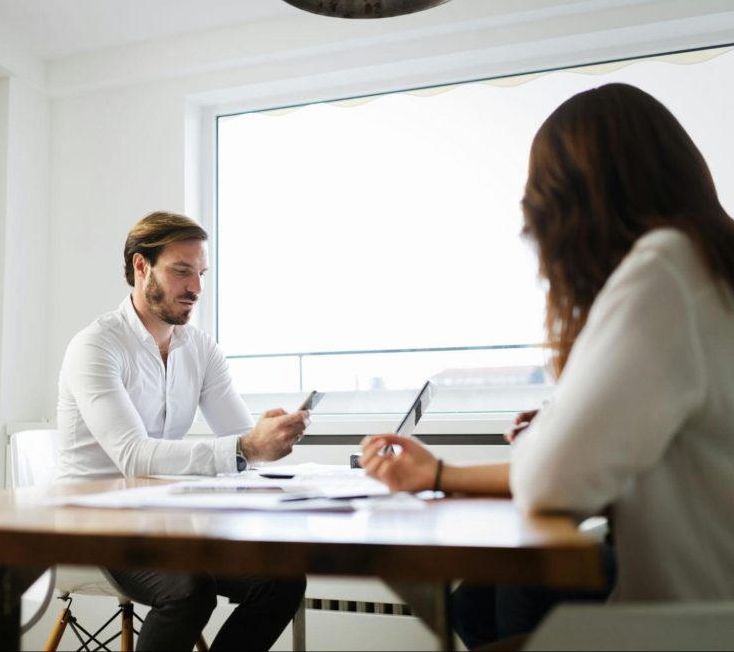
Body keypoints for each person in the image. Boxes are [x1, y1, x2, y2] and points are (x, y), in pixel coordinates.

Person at [360, 83, 734, 646]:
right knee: (481, 600)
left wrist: (449, 471)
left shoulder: (663, 268)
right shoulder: (708, 265)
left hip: (689, 627)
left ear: (573, 200)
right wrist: (446, 471)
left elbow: (550, 480)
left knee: (504, 598)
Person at [57, 211, 308, 651]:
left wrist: (267, 439)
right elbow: (134, 457)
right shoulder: (96, 345)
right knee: (188, 592)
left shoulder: (201, 349)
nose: (195, 287)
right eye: (181, 271)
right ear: (140, 266)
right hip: (95, 524)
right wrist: (247, 446)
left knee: (281, 580)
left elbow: (239, 441)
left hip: (164, 520)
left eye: (201, 273)